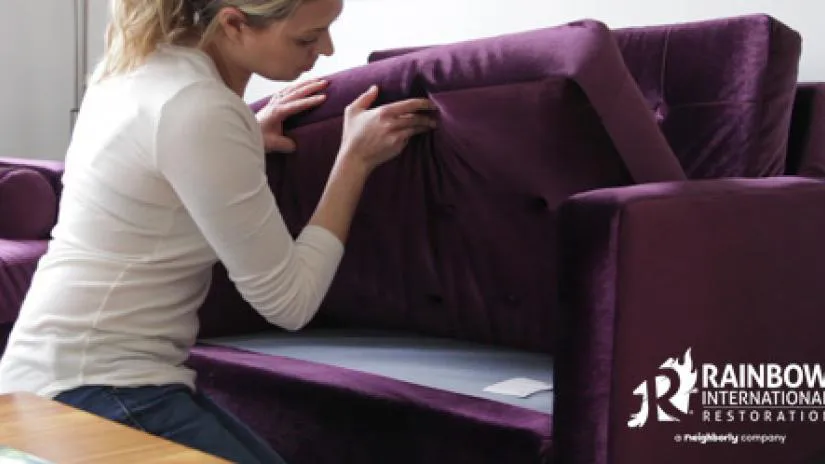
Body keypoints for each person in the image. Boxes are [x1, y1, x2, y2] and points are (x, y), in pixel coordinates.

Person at [0, 0, 437, 462]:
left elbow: (157, 158)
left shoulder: (134, 63)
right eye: (307, 38)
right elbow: (290, 303)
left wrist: (243, 133)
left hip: (43, 374)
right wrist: (354, 160)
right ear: (233, 23)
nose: (326, 50)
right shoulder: (199, 107)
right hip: (97, 388)